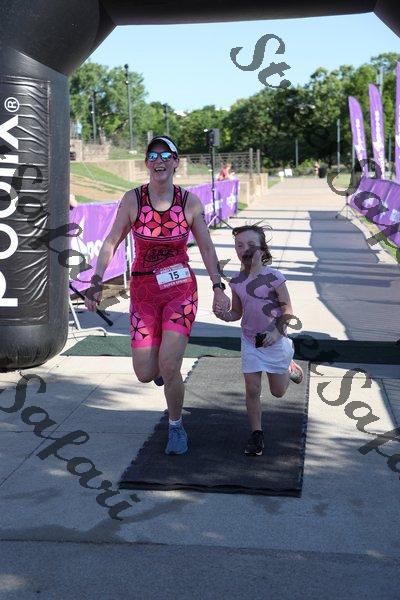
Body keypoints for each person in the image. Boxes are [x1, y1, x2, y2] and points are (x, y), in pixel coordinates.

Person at [85, 135, 230, 455]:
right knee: (144, 372)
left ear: (176, 162)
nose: (159, 160)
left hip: (181, 292)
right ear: (146, 163)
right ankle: (163, 369)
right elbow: (111, 241)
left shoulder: (189, 202)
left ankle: (176, 427)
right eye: (153, 156)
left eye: (166, 155)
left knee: (169, 364)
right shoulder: (133, 199)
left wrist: (218, 287)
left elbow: (207, 248)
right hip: (144, 293)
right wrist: (96, 280)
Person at [214, 224, 303, 457]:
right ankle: (256, 434)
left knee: (278, 392)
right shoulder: (236, 282)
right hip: (250, 341)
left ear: (262, 250)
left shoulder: (275, 278)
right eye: (239, 245)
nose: (245, 249)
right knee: (252, 388)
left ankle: (289, 365)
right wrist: (224, 315)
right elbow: (237, 312)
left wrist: (277, 333)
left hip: (275, 340)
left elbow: (288, 310)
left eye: (251, 245)